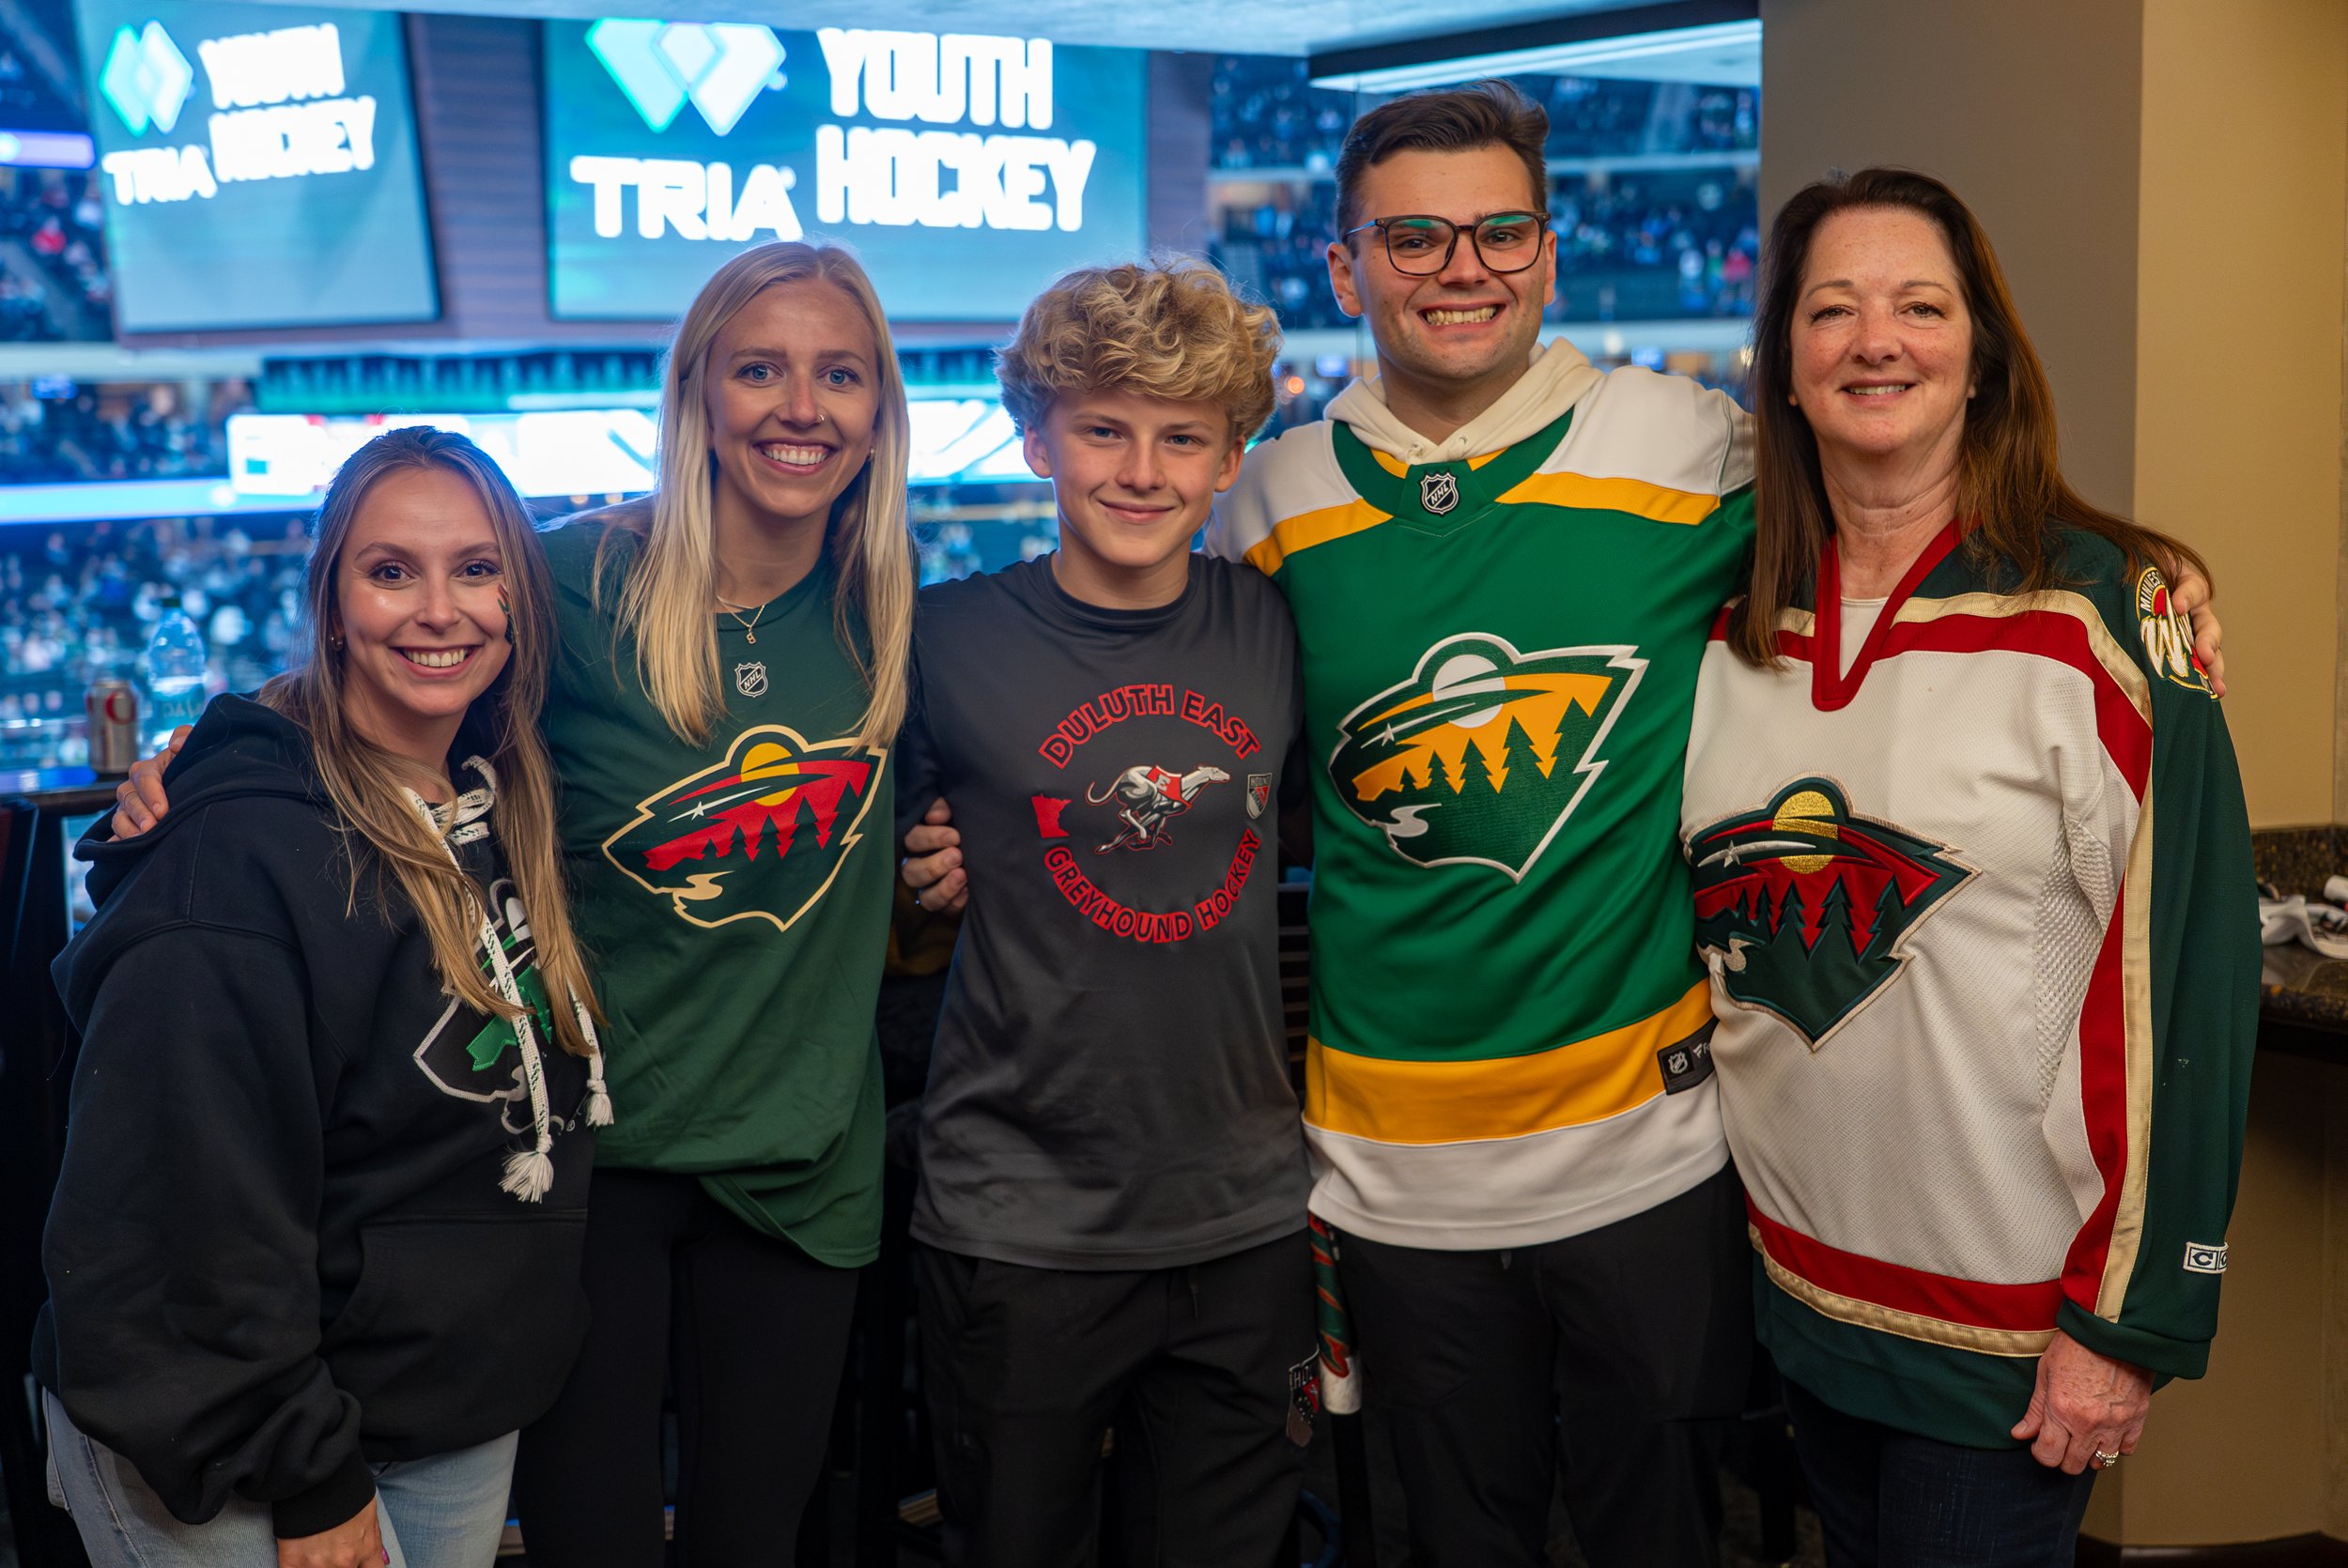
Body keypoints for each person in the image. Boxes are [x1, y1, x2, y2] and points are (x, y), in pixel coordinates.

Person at [908, 83, 2232, 1566]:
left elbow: (1897, 501)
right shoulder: (1267, 496)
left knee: (1662, 1534)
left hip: (1655, 1161)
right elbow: (1174, 702)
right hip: (1386, 1178)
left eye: (1497, 230)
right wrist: (999, 822)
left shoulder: (1695, 445)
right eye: (1412, 235)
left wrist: (2130, 573)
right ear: (1345, 267)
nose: (1459, 264)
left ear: (1549, 252)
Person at [106, 240, 918, 1563]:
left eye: (841, 373)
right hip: (588, 1169)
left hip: (801, 1170)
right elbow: (397, 653)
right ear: (697, 393)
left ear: (883, 403)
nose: (800, 406)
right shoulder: (575, 580)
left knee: (756, 1539)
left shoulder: (892, 607)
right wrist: (198, 764)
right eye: (758, 368)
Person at [1679, 166, 2258, 1567]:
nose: (1876, 339)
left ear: (1982, 355)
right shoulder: (1717, 619)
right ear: (1786, 367)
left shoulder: (2107, 610)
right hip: (1799, 1298)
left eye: (1920, 305)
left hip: (2006, 1329)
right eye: (1832, 310)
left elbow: (2189, 978)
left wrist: (2128, 1324)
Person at [42, 425, 608, 1568]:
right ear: (333, 604)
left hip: (435, 1408)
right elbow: (180, 1217)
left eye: (478, 567)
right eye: (390, 570)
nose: (438, 609)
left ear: (520, 598)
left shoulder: (495, 807)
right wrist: (307, 1466)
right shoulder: (239, 854)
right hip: (244, 1439)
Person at [897, 259, 1311, 1566]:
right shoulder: (946, 638)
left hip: (1243, 1213)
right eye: (1104, 429)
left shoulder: (1282, 631)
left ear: (1230, 456)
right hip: (1018, 1221)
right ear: (1037, 438)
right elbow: (871, 887)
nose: (1142, 469)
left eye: (1182, 436)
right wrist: (924, 883)